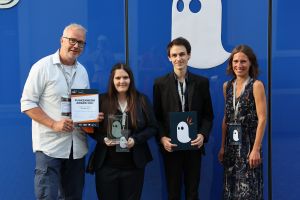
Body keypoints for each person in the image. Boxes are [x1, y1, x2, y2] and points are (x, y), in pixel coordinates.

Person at [21, 23, 91, 200]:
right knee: (48, 197)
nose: (76, 46)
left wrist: (91, 118)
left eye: (81, 43)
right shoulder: (42, 67)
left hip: (77, 148)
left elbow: (84, 105)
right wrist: (54, 123)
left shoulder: (82, 71)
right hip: (50, 149)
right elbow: (27, 103)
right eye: (72, 40)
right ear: (62, 40)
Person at [153, 37, 214, 200]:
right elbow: (156, 117)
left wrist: (203, 135)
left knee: (192, 191)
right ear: (169, 58)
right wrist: (162, 138)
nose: (178, 58)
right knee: (173, 192)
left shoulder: (202, 83)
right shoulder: (160, 84)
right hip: (171, 147)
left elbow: (208, 115)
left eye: (182, 54)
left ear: (189, 56)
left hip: (194, 146)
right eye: (174, 55)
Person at [90, 63, 158, 200]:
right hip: (106, 166)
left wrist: (135, 139)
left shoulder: (141, 100)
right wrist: (103, 139)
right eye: (118, 78)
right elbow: (89, 129)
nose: (122, 81)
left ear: (131, 79)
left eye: (125, 77)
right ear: (112, 80)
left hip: (133, 166)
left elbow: (153, 127)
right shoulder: (101, 100)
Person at [218, 45, 267, 199]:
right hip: (231, 147)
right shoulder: (227, 87)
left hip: (248, 147)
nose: (239, 65)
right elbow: (227, 117)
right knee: (231, 190)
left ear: (251, 63)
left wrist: (256, 149)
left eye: (243, 61)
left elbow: (263, 118)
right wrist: (222, 147)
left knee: (248, 191)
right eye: (236, 61)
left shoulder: (256, 86)